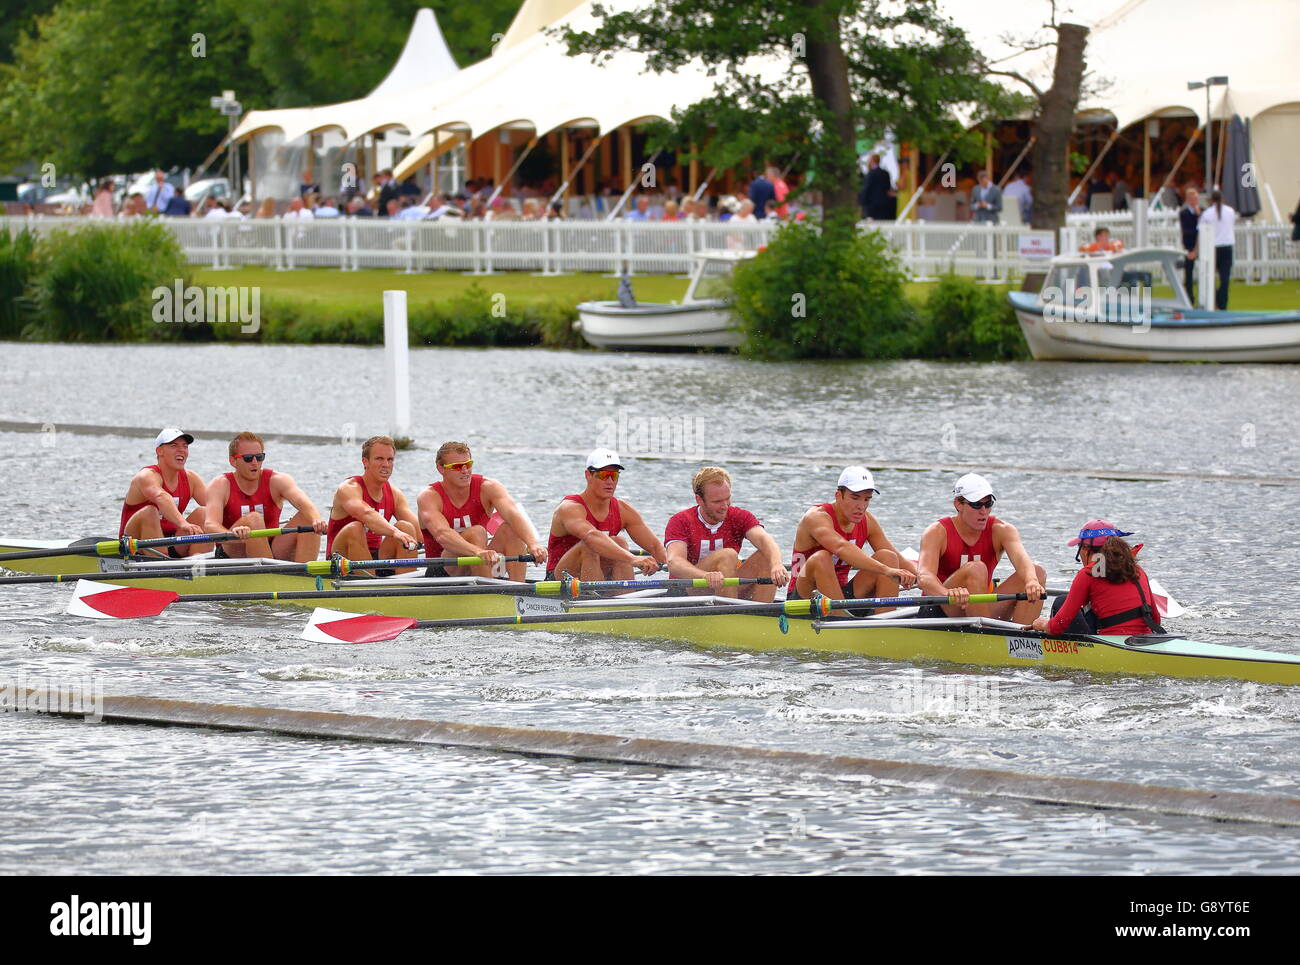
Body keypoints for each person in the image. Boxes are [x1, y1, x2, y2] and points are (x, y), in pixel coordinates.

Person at [915, 473, 1045, 624]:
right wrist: (948, 594)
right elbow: (924, 577)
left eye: (988, 504)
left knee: (1037, 572)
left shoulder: (1002, 530)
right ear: (958, 504)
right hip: (941, 608)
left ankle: (1021, 641)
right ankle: (988, 638)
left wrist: (1031, 581)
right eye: (976, 504)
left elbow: (1022, 560)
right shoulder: (937, 531)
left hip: (979, 607)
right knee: (976, 569)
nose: (983, 511)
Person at [787, 466, 917, 610]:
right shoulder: (816, 517)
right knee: (821, 558)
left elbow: (897, 557)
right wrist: (886, 570)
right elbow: (841, 547)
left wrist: (926, 579)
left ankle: (885, 621)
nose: (861, 506)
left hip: (841, 595)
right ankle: (842, 622)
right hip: (803, 596)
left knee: (889, 557)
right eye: (855, 498)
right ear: (838, 495)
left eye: (867, 499)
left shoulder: (867, 521)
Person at [417, 441, 547, 582]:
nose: (465, 470)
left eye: (468, 464)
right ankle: (488, 592)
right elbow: (442, 535)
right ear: (441, 469)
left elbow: (512, 514)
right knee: (477, 532)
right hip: (442, 571)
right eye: (457, 467)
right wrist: (478, 551)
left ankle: (518, 591)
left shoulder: (489, 487)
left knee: (511, 529)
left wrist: (533, 544)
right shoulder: (429, 496)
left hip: (481, 561)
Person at [663, 466, 788, 602]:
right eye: (717, 502)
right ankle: (730, 615)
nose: (725, 506)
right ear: (699, 500)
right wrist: (705, 576)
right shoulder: (681, 521)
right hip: (688, 589)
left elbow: (766, 541)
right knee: (728, 555)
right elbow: (674, 562)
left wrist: (777, 564)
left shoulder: (739, 516)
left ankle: (762, 614)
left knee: (766, 555)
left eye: (727, 499)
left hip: (725, 586)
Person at [202, 432, 327, 562]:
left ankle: (305, 575)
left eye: (259, 457)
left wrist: (317, 520)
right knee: (254, 519)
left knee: (307, 517)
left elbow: (304, 503)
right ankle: (270, 576)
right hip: (233, 549)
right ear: (233, 461)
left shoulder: (278, 480)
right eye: (248, 458)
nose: (255, 462)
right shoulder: (220, 484)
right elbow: (210, 525)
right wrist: (232, 535)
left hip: (271, 547)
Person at [545, 448, 665, 581]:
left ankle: (625, 598)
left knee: (619, 542)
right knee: (590, 546)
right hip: (560, 579)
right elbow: (591, 536)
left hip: (600, 577)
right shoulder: (570, 508)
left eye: (614, 476)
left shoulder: (623, 509)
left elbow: (655, 547)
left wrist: (677, 568)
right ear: (588, 475)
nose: (610, 481)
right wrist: (633, 559)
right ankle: (596, 598)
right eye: (604, 475)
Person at [1032, 520, 1165, 637]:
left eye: (1079, 547)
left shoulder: (1087, 574)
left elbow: (1057, 627)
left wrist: (1044, 625)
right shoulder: (1137, 570)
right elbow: (1156, 619)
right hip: (1146, 638)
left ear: (1085, 549)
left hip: (1110, 645)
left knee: (1061, 601)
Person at [325, 435, 421, 568]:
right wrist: (395, 532)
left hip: (376, 557)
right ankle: (370, 583)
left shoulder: (395, 494)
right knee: (355, 528)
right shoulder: (348, 488)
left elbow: (420, 531)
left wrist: (447, 538)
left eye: (390, 459)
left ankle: (406, 584)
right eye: (379, 459)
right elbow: (366, 514)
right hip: (340, 560)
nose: (386, 465)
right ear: (365, 462)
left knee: (406, 527)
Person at [119, 427, 208, 556]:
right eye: (174, 445)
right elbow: (161, 497)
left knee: (204, 513)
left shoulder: (191, 478)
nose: (181, 450)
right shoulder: (146, 476)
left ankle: (199, 566)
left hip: (172, 542)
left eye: (185, 446)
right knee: (150, 512)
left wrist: (240, 526)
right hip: (135, 546)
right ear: (159, 451)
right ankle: (160, 565)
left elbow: (216, 506)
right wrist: (183, 523)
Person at [1199, 189, 1236, 310]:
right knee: (1225, 278)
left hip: (1213, 247)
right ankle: (1223, 302)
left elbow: (1201, 229)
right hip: (1227, 246)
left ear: (1211, 200)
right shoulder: (1230, 211)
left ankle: (1215, 300)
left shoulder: (1207, 213)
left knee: (1210, 277)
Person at [1179, 186, 1202, 303]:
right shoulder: (1184, 213)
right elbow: (1187, 230)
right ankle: (1189, 297)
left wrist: (1199, 215)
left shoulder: (1202, 211)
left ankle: (1203, 295)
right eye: (1192, 199)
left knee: (1204, 270)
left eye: (1196, 199)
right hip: (1189, 245)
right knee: (1189, 272)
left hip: (1201, 244)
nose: (1194, 202)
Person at [858, 154, 893, 221]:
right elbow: (888, 188)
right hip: (883, 203)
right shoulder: (885, 173)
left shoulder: (870, 174)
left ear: (872, 161)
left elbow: (866, 189)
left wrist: (862, 201)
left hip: (872, 205)